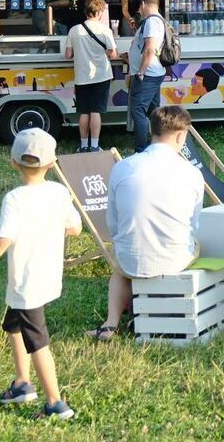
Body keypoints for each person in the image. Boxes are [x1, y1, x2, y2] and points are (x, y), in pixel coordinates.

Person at [0, 129, 80, 421]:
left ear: (13, 162)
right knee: (14, 325)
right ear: (51, 163)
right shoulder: (59, 192)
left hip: (27, 282)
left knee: (38, 342)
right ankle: (22, 384)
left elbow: (4, 239)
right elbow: (75, 228)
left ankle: (56, 404)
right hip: (47, 276)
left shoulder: (15, 198)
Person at [87, 106, 203, 341]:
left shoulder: (123, 167)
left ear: (152, 130)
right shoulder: (191, 173)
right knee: (197, 243)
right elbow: (194, 223)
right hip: (174, 259)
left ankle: (111, 324)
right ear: (182, 135)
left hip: (131, 259)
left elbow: (114, 223)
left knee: (120, 268)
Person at [65, 0, 118, 153]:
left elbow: (68, 54)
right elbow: (113, 54)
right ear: (99, 12)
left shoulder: (74, 30)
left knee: (84, 112)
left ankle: (83, 145)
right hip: (101, 76)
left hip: (81, 77)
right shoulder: (105, 30)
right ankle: (94, 146)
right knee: (95, 111)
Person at [124, 0, 166, 153]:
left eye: (139, 7)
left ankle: (141, 150)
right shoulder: (155, 20)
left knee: (138, 110)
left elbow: (150, 49)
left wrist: (141, 71)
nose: (139, 10)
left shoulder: (152, 21)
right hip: (154, 72)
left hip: (147, 74)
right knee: (153, 111)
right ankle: (159, 143)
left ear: (143, 4)